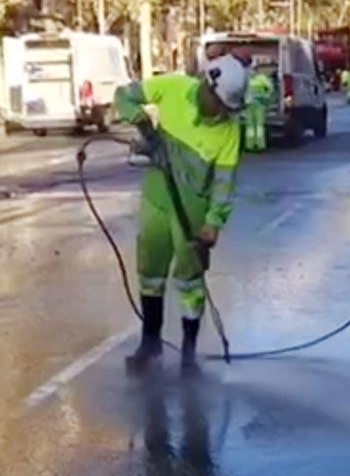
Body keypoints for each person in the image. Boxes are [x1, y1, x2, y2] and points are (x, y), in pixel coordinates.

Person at [114, 54, 249, 374]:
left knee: (190, 281)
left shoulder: (229, 130)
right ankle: (150, 345)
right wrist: (141, 120)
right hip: (157, 200)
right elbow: (124, 95)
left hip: (193, 212)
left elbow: (224, 180)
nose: (222, 113)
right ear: (207, 85)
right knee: (150, 273)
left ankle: (189, 355)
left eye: (228, 108)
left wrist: (214, 221)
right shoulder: (172, 87)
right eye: (220, 104)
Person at [244, 65, 274, 152]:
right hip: (249, 105)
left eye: (252, 70)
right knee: (250, 126)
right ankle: (250, 145)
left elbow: (270, 88)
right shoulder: (247, 79)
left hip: (259, 104)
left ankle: (260, 145)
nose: (251, 72)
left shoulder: (262, 78)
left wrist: (266, 97)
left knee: (259, 126)